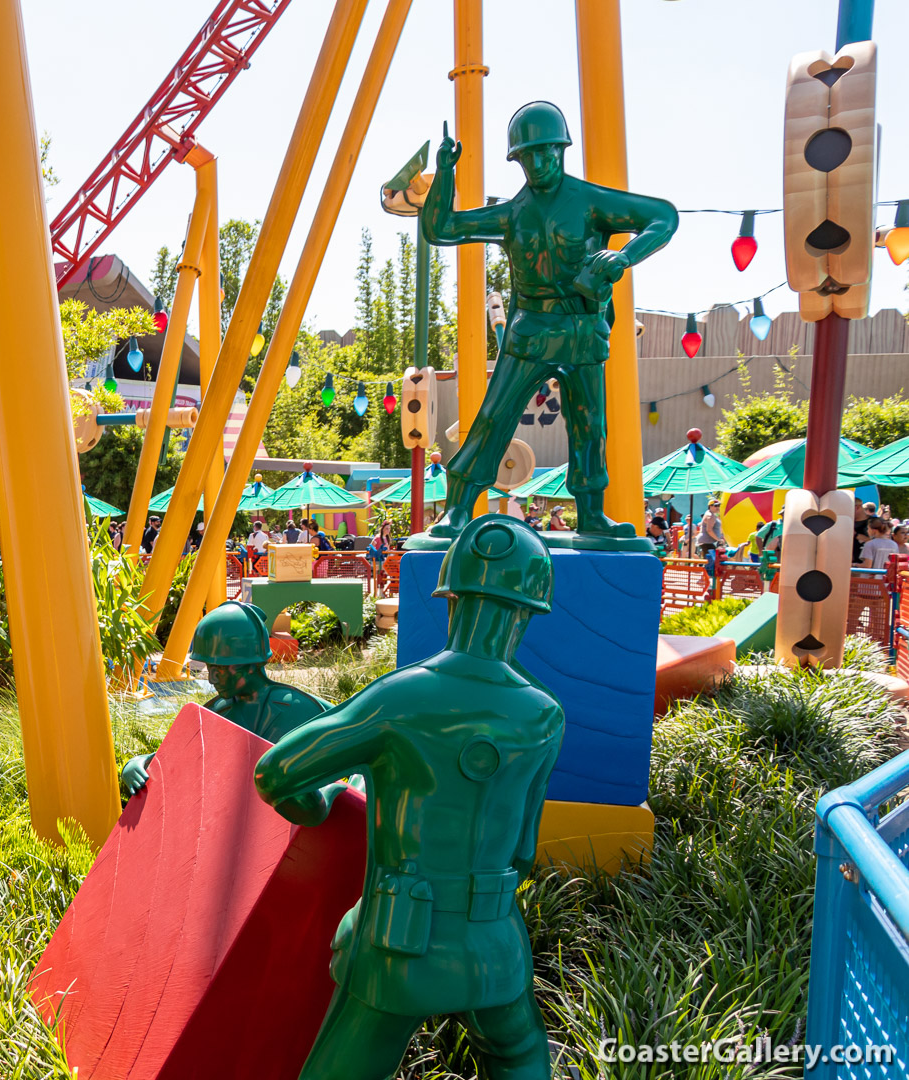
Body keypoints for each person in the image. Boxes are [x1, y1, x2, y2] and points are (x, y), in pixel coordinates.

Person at [254, 516, 562, 1080]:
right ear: (526, 611)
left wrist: (317, 804)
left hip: (398, 939)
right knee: (517, 1051)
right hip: (494, 938)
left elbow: (276, 773)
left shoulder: (401, 699)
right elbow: (523, 848)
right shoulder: (543, 716)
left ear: (452, 600)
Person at [419, 101, 677, 543]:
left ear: (561, 149)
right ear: (517, 160)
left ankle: (592, 515)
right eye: (528, 156)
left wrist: (622, 256)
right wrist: (445, 173)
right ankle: (458, 509)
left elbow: (664, 217)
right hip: (531, 332)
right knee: (493, 417)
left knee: (590, 425)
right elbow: (441, 229)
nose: (538, 163)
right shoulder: (513, 213)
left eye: (546, 152)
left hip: (581, 333)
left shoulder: (591, 201)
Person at [120, 601, 329, 796]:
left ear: (249, 663)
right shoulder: (215, 712)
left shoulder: (300, 707)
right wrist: (140, 763)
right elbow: (179, 757)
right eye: (210, 668)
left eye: (219, 669)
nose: (211, 679)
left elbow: (352, 739)